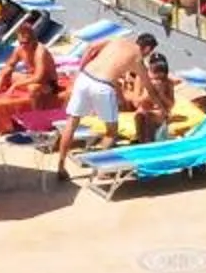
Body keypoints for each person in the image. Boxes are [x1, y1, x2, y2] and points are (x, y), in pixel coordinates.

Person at [49, 31, 151, 177]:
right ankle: (100, 170)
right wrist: (162, 104)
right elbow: (148, 85)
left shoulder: (117, 39)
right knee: (111, 131)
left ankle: (61, 165)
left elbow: (91, 48)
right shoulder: (138, 57)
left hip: (85, 77)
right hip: (102, 85)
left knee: (71, 123)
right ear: (147, 49)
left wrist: (80, 70)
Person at [0, 21, 60, 126]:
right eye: (20, 42)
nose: (23, 45)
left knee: (33, 88)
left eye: (25, 42)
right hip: (31, 77)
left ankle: (37, 118)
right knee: (4, 74)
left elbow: (38, 77)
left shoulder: (40, 52)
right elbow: (9, 65)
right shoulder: (20, 49)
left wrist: (15, 85)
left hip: (48, 82)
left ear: (33, 41)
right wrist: (0, 80)